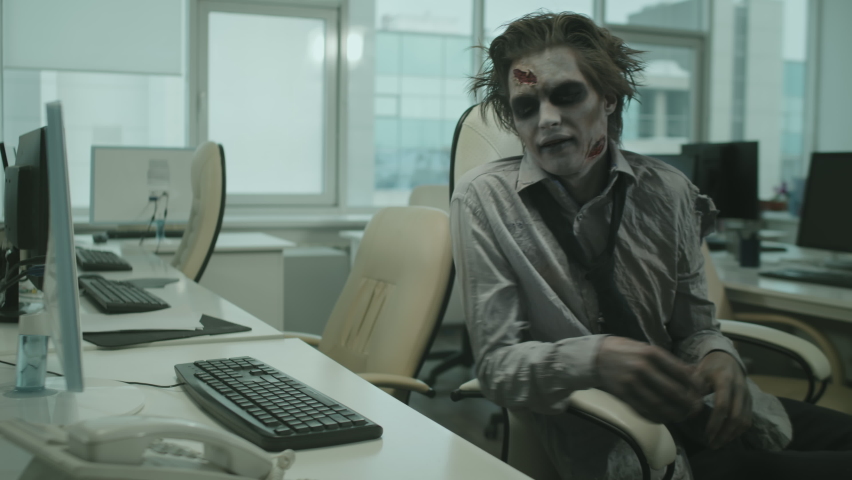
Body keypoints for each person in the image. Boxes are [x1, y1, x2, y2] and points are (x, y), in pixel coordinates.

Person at [450, 11, 852, 480]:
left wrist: (719, 356)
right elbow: (497, 367)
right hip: (618, 441)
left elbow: (696, 328)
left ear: (609, 98)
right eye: (526, 107)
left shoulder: (668, 190)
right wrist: (596, 359)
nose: (548, 119)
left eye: (567, 95)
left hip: (704, 408)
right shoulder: (484, 200)